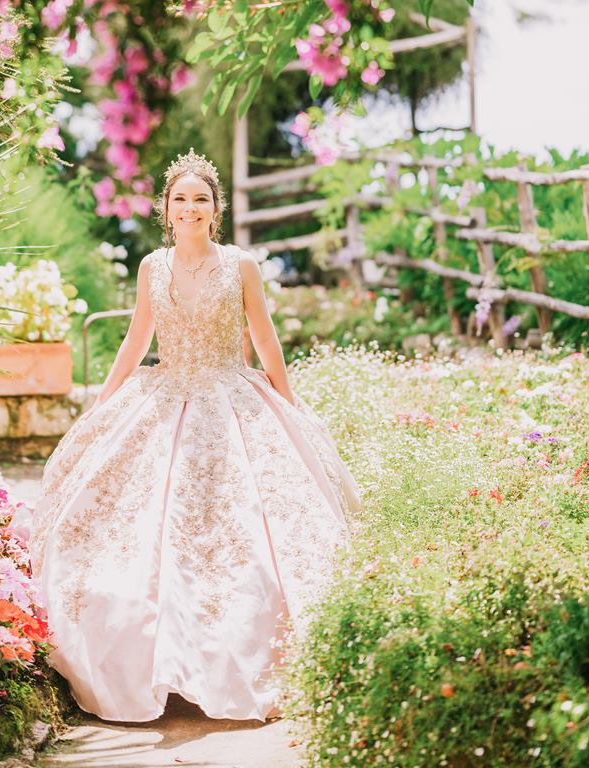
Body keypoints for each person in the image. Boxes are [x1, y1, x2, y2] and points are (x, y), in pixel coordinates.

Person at [28, 148, 362, 723]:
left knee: (244, 527)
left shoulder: (242, 266)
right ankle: (156, 662)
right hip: (164, 393)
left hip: (230, 397)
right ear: (167, 208)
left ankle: (231, 660)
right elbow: (136, 341)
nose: (189, 208)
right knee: (137, 522)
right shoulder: (151, 268)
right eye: (179, 199)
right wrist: (101, 404)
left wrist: (290, 403)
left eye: (200, 199)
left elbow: (265, 339)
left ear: (215, 208)